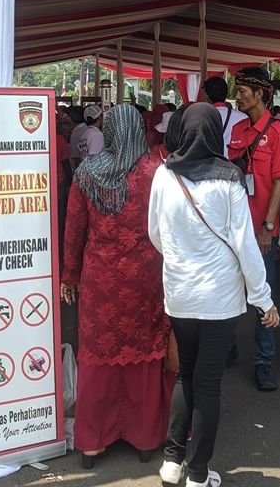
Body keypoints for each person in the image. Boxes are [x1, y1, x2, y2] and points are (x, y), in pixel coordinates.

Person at [148, 103, 278, 487]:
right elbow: (245, 245)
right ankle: (199, 473)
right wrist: (263, 298)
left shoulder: (163, 173)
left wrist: (181, 256)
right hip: (219, 298)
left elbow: (155, 233)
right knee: (207, 383)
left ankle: (172, 462)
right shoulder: (230, 178)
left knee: (185, 375)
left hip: (180, 292)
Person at [62, 105, 172, 466]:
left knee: (99, 354)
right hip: (147, 278)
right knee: (145, 352)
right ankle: (144, 437)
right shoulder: (156, 173)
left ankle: (93, 441)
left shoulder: (88, 173)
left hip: (100, 280)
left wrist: (69, 275)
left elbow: (74, 229)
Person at [227, 67, 280, 391]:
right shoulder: (237, 129)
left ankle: (263, 363)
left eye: (242, 90)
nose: (237, 95)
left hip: (261, 229)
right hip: (234, 228)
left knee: (262, 295)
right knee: (228, 291)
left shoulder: (279, 133)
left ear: (260, 93)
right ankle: (228, 347)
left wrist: (268, 226)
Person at [204, 75, 244, 148]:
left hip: (211, 158)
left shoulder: (202, 118)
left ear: (207, 96)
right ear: (226, 93)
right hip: (234, 159)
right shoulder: (243, 118)